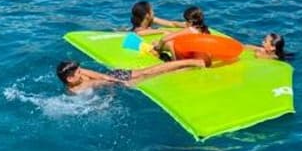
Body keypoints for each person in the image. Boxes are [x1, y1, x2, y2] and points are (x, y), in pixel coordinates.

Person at [56, 58, 206, 93]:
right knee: (150, 71)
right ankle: (190, 63)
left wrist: (120, 83)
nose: (81, 72)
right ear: (69, 79)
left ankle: (188, 66)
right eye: (78, 72)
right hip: (115, 75)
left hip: (116, 79)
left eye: (79, 71)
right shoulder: (79, 80)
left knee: (151, 76)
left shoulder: (80, 85)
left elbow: (102, 81)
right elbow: (101, 77)